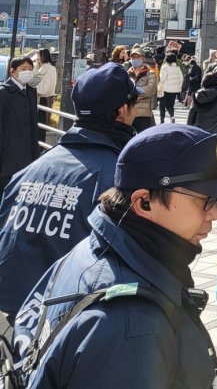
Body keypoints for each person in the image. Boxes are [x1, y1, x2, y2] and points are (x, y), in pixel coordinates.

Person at [11, 124, 217, 388]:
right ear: (143, 202)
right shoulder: (134, 326)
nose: (216, 214)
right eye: (205, 200)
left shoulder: (94, 247)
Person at [0, 63, 141, 318]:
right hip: (68, 326)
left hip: (12, 317)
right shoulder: (120, 180)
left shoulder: (29, 172)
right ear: (122, 110)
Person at [0, 57, 39, 192]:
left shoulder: (31, 92)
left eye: (30, 69)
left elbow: (34, 125)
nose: (27, 72)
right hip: (8, 156)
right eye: (23, 69)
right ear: (12, 71)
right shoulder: (4, 92)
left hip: (28, 155)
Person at [29, 49, 58, 143]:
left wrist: (32, 84)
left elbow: (45, 88)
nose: (37, 57)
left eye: (38, 55)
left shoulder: (50, 69)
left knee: (41, 125)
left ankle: (40, 145)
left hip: (43, 100)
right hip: (33, 98)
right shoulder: (35, 67)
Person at [127, 46, 157, 132]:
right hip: (129, 113)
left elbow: (150, 90)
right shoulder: (127, 73)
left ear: (143, 58)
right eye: (133, 57)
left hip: (144, 114)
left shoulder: (150, 73)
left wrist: (133, 93)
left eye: (138, 57)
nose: (135, 59)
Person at [158, 52, 183, 123]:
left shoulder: (165, 67)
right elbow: (181, 78)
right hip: (174, 90)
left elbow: (162, 78)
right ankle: (172, 116)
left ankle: (162, 120)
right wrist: (178, 87)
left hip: (165, 89)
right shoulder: (178, 68)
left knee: (162, 105)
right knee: (170, 105)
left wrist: (160, 84)